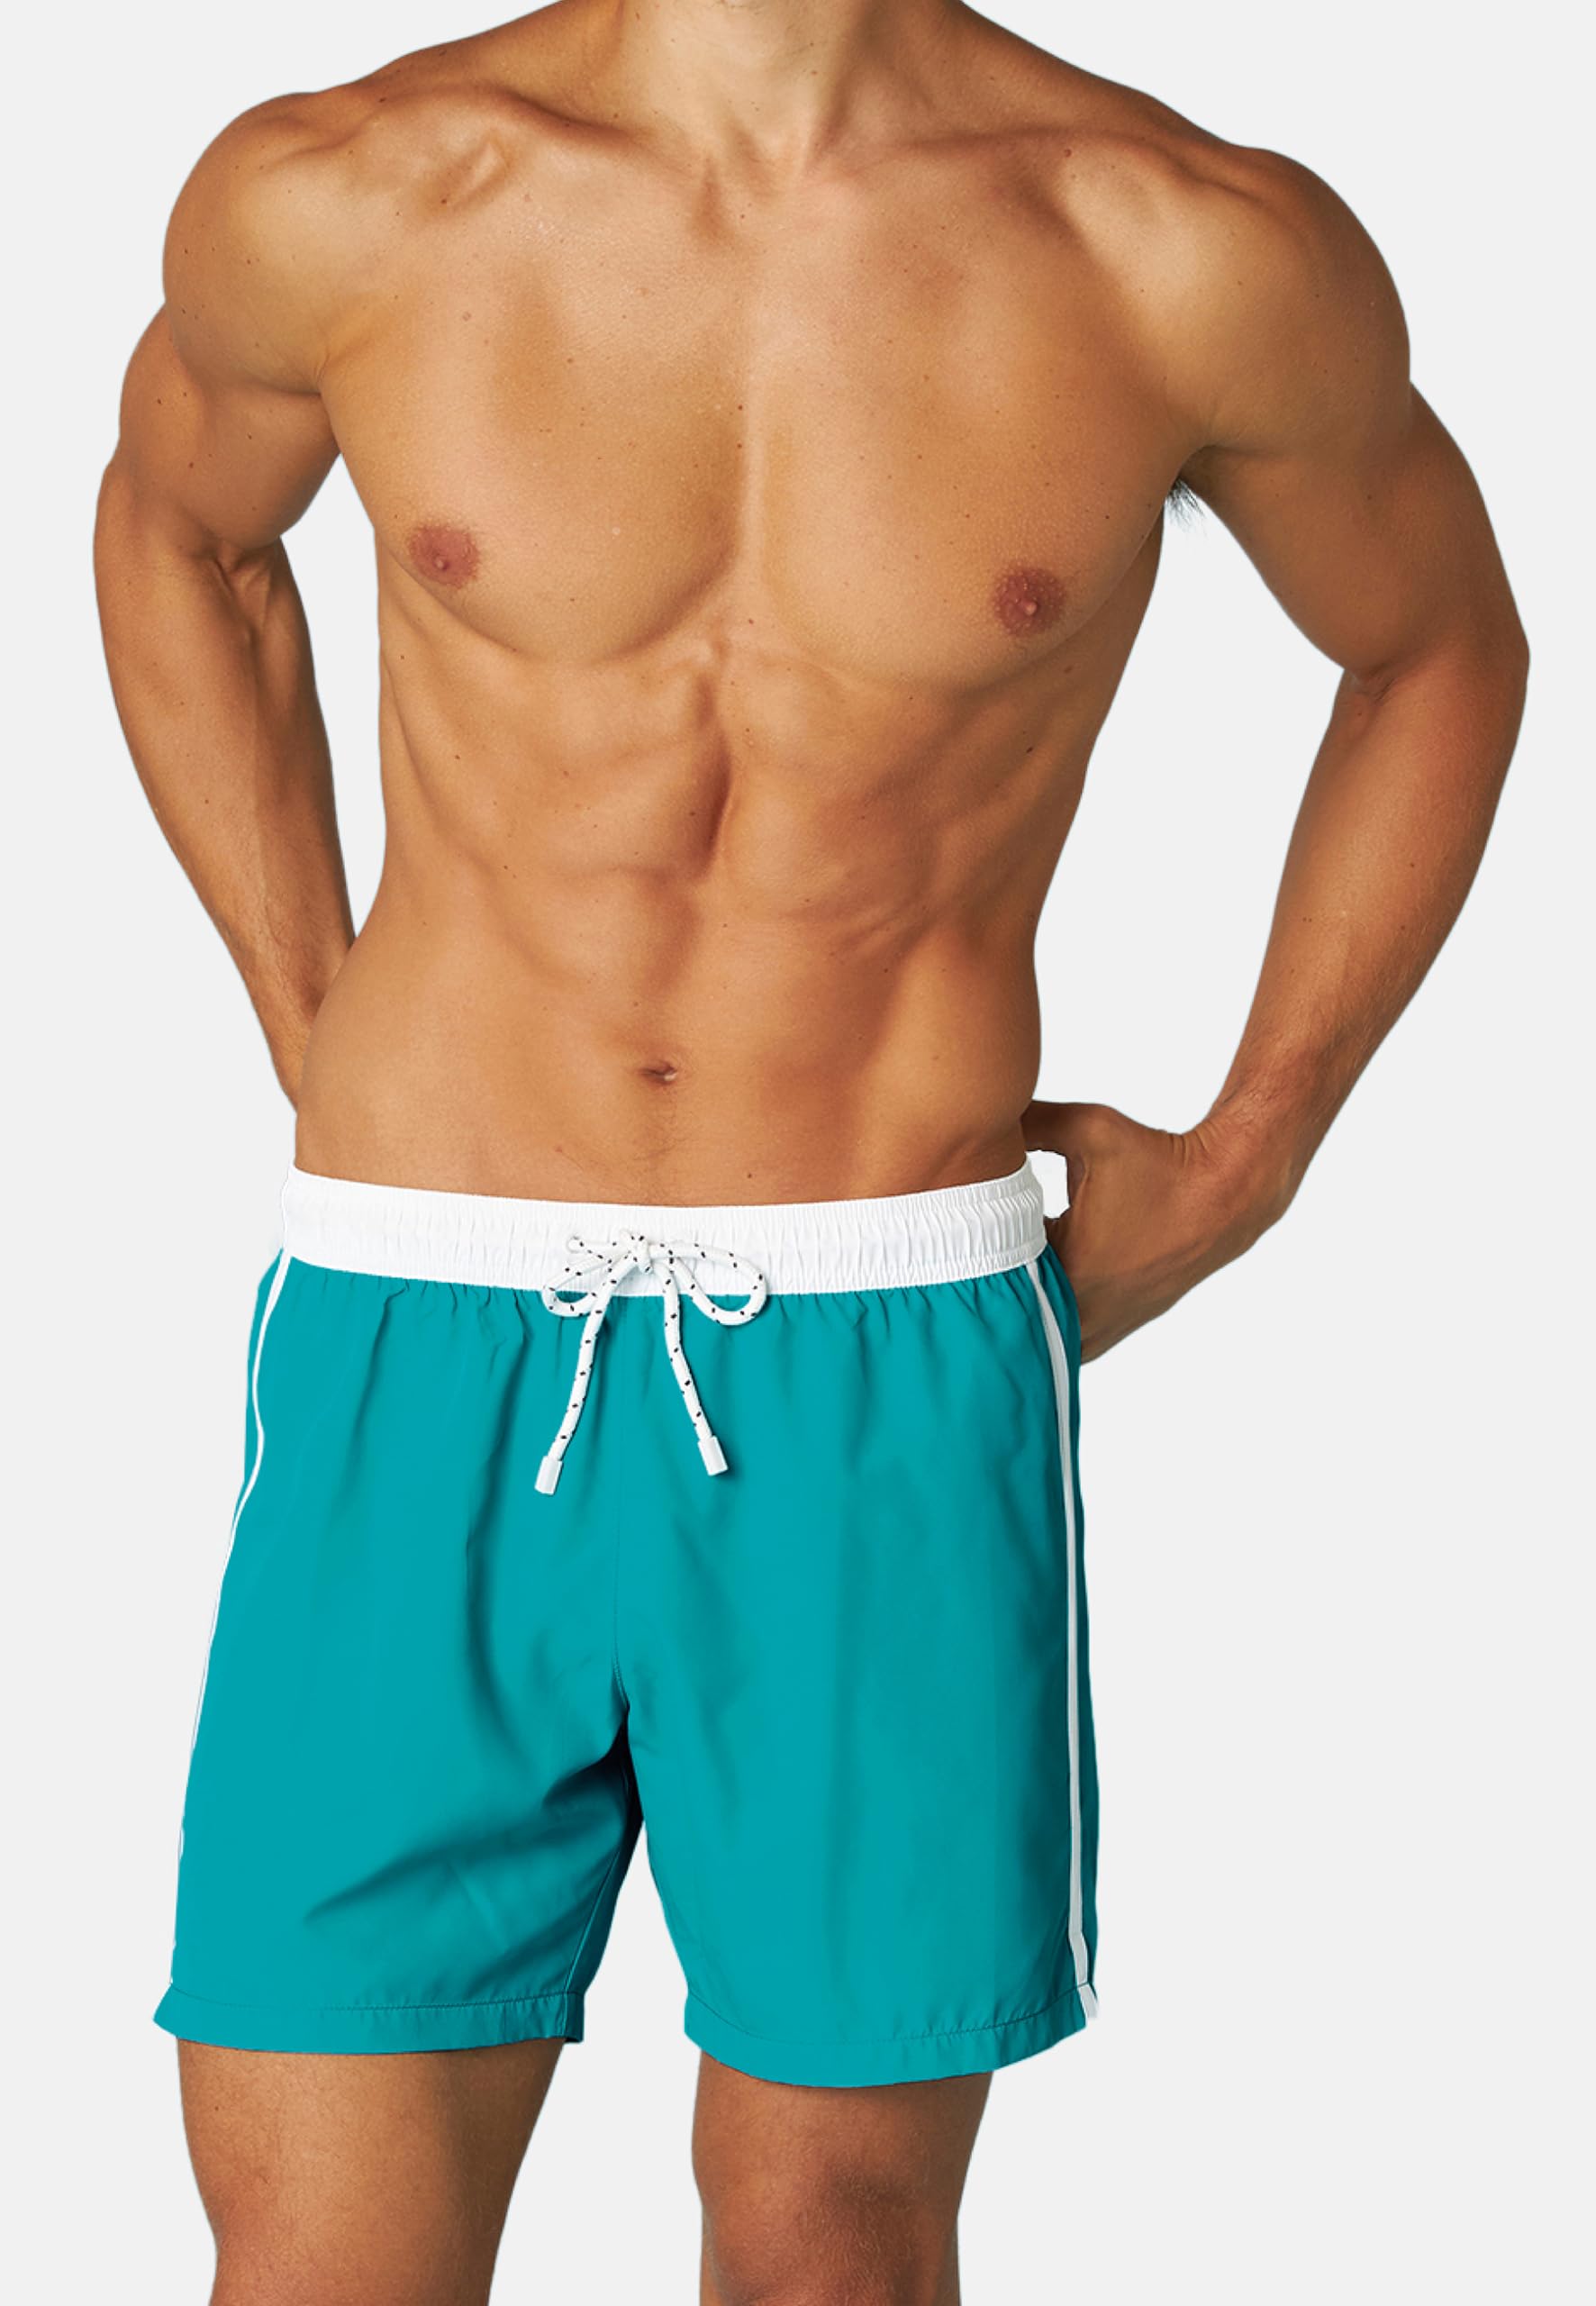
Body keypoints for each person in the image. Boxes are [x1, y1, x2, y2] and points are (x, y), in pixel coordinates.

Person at [94, 1, 1527, 2298]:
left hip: (876, 1344)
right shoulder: (350, 191)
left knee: (830, 2247)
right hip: (416, 1328)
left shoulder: (1178, 246)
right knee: (320, 2258)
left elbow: (1439, 644)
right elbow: (183, 533)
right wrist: (307, 1007)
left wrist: (1253, 1148)